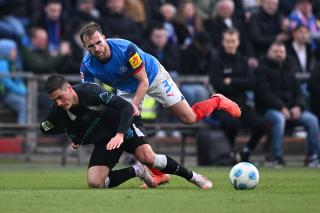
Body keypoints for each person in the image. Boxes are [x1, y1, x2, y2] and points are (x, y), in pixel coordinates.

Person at [78, 21, 241, 185]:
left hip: (153, 77)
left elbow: (143, 82)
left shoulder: (126, 49)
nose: (97, 48)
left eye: (99, 42)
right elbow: (90, 94)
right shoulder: (87, 65)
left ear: (104, 38)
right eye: (91, 46)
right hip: (126, 90)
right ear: (85, 47)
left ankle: (217, 100)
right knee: (128, 131)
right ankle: (159, 174)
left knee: (189, 118)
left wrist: (133, 105)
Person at [40, 74, 213, 189]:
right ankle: (137, 170)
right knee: (95, 183)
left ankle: (194, 177)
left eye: (60, 97)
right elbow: (45, 128)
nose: (59, 103)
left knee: (148, 157)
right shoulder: (57, 110)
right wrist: (70, 132)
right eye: (54, 100)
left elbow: (125, 107)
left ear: (69, 88)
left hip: (124, 124)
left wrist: (120, 134)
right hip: (106, 139)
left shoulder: (90, 91)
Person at [255, 41, 319, 167]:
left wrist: (298, 106)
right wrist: (281, 107)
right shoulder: (261, 69)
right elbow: (264, 94)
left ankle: (313, 157)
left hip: (291, 110)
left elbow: (299, 92)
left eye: (282, 52)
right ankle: (276, 157)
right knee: (279, 119)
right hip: (269, 110)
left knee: (312, 120)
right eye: (276, 51)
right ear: (269, 53)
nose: (279, 54)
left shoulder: (290, 68)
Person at [209, 28, 267, 162]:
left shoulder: (243, 60)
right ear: (223, 43)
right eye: (228, 41)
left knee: (261, 125)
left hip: (241, 104)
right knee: (233, 124)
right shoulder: (217, 61)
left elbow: (252, 82)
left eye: (233, 41)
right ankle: (229, 154)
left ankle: (246, 151)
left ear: (238, 42)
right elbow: (217, 84)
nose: (230, 44)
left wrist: (231, 80)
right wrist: (240, 83)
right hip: (221, 105)